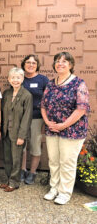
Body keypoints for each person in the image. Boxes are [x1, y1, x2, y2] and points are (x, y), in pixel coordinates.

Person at [41, 52, 90, 205]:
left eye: (64, 61)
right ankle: (54, 188)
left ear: (71, 65)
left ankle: (65, 192)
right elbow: (43, 105)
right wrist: (48, 122)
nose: (60, 63)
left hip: (72, 131)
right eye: (57, 61)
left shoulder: (79, 83)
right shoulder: (50, 83)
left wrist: (63, 125)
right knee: (54, 161)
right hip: (52, 129)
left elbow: (81, 109)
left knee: (67, 162)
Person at [0, 67, 33, 192]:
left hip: (18, 133)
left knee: (16, 158)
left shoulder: (27, 95)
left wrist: (21, 136)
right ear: (9, 79)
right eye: (13, 77)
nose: (15, 80)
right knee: (7, 158)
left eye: (18, 77)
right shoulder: (6, 94)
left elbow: (27, 118)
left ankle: (14, 182)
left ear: (22, 79)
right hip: (6, 132)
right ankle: (9, 179)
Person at [20, 55, 49, 184]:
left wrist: (45, 122)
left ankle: (32, 172)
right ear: (24, 64)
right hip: (21, 118)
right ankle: (22, 170)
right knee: (21, 146)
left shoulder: (43, 80)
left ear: (37, 65)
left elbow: (48, 101)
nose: (31, 65)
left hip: (37, 119)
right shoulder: (20, 78)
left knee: (35, 146)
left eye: (33, 62)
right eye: (28, 62)